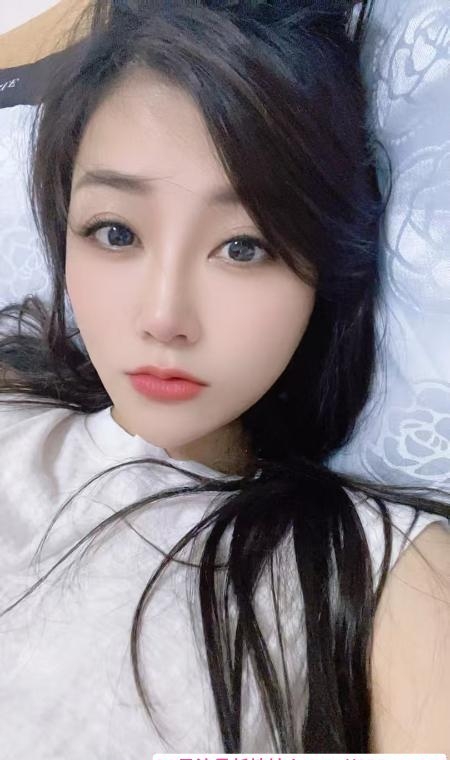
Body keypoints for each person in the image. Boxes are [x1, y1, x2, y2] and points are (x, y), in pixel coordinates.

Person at [0, 0, 448, 755]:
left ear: (323, 266)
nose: (164, 317)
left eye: (245, 247)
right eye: (116, 232)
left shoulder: (380, 573)